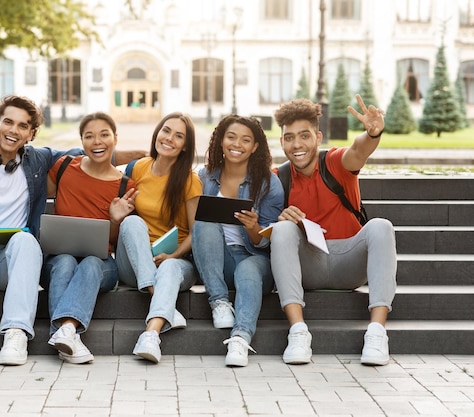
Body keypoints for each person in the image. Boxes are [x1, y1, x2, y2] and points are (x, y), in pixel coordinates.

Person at [0, 26, 142, 367]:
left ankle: (16, 335)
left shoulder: (39, 160)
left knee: (26, 241)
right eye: (8, 122)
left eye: (23, 126)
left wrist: (155, 157)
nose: (13, 130)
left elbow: (94, 151)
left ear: (31, 134)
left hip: (15, 263)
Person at [270, 94, 397, 366]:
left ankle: (376, 334)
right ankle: (298, 332)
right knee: (281, 230)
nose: (297, 144)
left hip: (350, 262)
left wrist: (373, 133)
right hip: (310, 266)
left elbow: (358, 150)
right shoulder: (277, 177)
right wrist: (282, 218)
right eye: (289, 138)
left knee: (380, 226)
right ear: (281, 142)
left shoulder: (336, 162)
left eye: (304, 136)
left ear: (318, 136)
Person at [41, 112, 137, 364]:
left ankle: (63, 331)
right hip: (57, 258)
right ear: (81, 141)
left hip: (102, 264)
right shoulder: (63, 167)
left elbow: (116, 242)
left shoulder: (126, 186)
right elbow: (32, 194)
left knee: (92, 262)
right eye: (89, 136)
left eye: (104, 135)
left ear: (115, 138)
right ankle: (67, 333)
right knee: (64, 262)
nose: (97, 142)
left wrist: (115, 219)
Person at [191, 115, 284, 367]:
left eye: (246, 140)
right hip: (218, 261)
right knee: (203, 220)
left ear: (255, 147)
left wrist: (254, 227)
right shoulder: (206, 176)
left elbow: (268, 241)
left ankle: (241, 338)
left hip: (254, 259)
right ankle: (219, 301)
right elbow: (196, 228)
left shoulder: (268, 183)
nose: (237, 144)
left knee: (248, 267)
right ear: (221, 140)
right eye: (231, 137)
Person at [116, 112, 202, 364]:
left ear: (185, 146)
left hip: (175, 261)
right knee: (132, 222)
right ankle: (159, 297)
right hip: (136, 262)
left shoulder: (190, 180)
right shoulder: (139, 167)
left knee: (170, 267)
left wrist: (172, 255)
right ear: (157, 133)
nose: (169, 139)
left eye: (178, 136)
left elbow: (197, 232)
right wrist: (117, 214)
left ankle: (151, 336)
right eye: (166, 131)